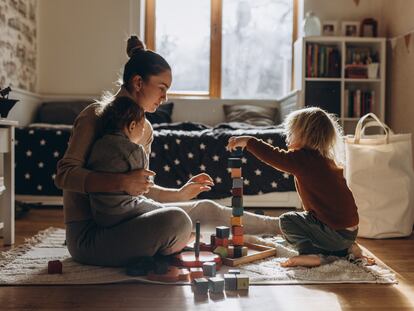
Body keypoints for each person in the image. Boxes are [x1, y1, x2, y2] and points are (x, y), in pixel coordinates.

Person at [55, 35, 281, 267]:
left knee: (204, 208)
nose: (165, 98)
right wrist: (121, 182)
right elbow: (64, 175)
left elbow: (142, 189)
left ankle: (282, 226)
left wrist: (180, 194)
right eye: (162, 88)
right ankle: (169, 244)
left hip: (129, 219)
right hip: (90, 236)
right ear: (138, 82)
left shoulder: (146, 129)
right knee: (176, 222)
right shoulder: (94, 115)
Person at [227, 107, 363, 267]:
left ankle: (312, 254)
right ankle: (344, 250)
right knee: (305, 220)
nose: (287, 138)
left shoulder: (304, 158)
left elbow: (275, 156)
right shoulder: (325, 160)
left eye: (291, 133)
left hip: (335, 232)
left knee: (287, 221)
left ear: (306, 136)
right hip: (349, 232)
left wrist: (249, 141)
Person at [87, 96, 164, 227]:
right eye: (143, 128)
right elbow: (143, 187)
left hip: (99, 213)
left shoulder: (97, 144)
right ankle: (182, 238)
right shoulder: (134, 150)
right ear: (132, 126)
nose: (143, 132)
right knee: (164, 211)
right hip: (124, 210)